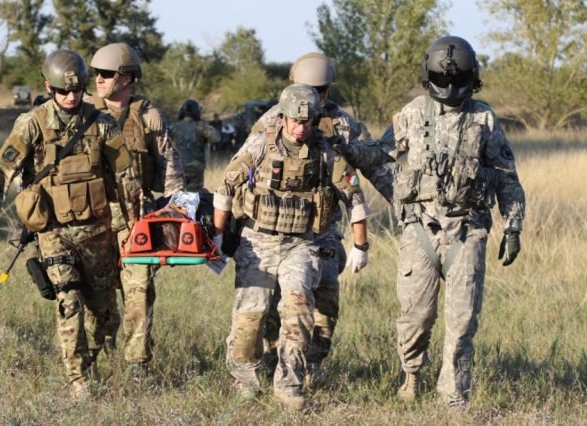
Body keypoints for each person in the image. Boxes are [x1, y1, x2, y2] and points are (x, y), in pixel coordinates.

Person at [351, 36, 526, 408]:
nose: (449, 87)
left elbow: (505, 174)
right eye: (442, 79)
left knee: (462, 320)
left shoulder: (484, 117)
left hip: (468, 228)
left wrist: (513, 225)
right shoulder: (413, 112)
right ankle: (412, 373)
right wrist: (345, 148)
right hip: (420, 227)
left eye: (457, 79)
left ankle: (453, 397)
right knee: (416, 315)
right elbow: (381, 152)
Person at [0, 49, 141, 399]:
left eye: (77, 90)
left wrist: (135, 229)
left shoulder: (102, 123)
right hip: (54, 232)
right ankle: (80, 382)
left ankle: (104, 359)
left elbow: (126, 176)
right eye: (63, 91)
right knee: (68, 300)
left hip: (98, 231)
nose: (71, 97)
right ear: (49, 87)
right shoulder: (32, 124)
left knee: (104, 312)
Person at [212, 83, 371, 410]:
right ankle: (247, 377)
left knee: (298, 307)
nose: (300, 129)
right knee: (249, 319)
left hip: (301, 245)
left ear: (315, 120)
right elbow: (225, 187)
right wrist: (217, 235)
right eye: (294, 121)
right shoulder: (260, 145)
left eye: (307, 122)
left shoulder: (325, 151)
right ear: (282, 117)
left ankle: (289, 385)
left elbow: (354, 200)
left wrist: (361, 245)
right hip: (258, 241)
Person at [251, 52, 393, 387]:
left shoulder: (344, 124)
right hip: (278, 228)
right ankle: (275, 357)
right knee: (275, 301)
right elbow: (245, 165)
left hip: (324, 228)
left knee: (326, 297)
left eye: (321, 90)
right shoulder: (273, 120)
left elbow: (374, 169)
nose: (314, 97)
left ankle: (312, 360)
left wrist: (404, 204)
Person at [88, 42, 184, 371]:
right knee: (97, 298)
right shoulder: (83, 113)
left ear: (127, 78)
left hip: (136, 220)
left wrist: (174, 221)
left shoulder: (148, 117)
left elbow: (172, 173)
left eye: (106, 73)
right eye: (96, 73)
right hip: (91, 221)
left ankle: (137, 368)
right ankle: (96, 357)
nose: (98, 79)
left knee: (139, 294)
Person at [170, 99, 220, 191]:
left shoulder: (173, 127)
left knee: (177, 197)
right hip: (196, 168)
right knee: (194, 196)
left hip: (178, 167)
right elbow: (216, 138)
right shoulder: (201, 126)